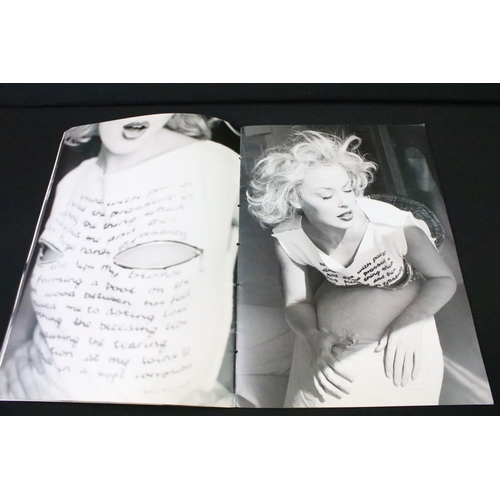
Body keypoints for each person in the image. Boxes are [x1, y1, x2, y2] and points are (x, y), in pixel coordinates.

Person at [0, 113, 239, 405]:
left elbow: (272, 273)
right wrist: (9, 355)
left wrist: (223, 396)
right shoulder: (73, 180)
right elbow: (40, 285)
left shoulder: (216, 167)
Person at [247, 131, 457, 407]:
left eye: (347, 189)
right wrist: (312, 336)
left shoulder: (395, 226)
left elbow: (443, 278)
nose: (345, 202)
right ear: (296, 199)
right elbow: (297, 302)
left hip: (414, 254)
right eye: (327, 196)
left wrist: (411, 320)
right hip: (354, 274)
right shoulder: (289, 239)